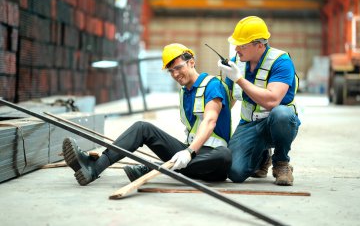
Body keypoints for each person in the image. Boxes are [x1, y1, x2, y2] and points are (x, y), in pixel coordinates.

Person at [62, 43, 232, 185]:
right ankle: (95, 167)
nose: (175, 74)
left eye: (178, 68)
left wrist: (189, 152)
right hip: (189, 155)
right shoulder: (185, 92)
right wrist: (187, 152)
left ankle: (156, 166)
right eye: (171, 71)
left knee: (224, 155)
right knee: (142, 127)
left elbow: (210, 121)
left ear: (192, 62)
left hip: (211, 161)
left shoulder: (212, 85)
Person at [217, 16, 301, 186]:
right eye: (236, 44)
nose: (236, 48)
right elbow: (229, 100)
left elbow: (272, 100)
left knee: (282, 114)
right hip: (249, 124)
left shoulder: (281, 61)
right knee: (234, 173)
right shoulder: (236, 63)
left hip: (276, 124)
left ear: (260, 45)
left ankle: (281, 163)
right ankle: (263, 156)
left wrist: (239, 79)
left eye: (243, 45)